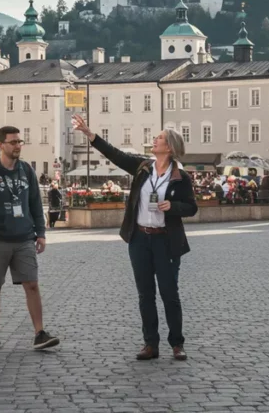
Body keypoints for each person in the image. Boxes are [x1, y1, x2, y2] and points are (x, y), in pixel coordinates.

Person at [73, 114, 197, 360]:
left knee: (169, 293)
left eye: (159, 138)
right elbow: (116, 155)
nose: (155, 140)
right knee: (145, 294)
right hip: (140, 239)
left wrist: (173, 206)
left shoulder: (181, 177)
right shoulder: (142, 167)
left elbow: (191, 207)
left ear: (169, 147)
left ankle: (177, 343)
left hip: (165, 241)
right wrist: (91, 135)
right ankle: (150, 343)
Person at [0, 126, 60, 350]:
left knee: (32, 284)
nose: (17, 146)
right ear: (0, 145)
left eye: (19, 141)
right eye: (12, 142)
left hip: (24, 238)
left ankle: (39, 332)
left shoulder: (26, 170)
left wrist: (40, 233)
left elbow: (34, 202)